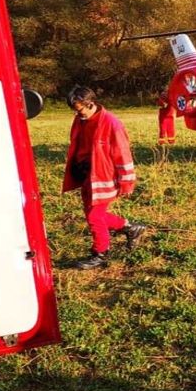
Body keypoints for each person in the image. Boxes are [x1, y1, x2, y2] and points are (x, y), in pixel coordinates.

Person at [62, 86, 145, 270]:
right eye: (74, 110)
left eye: (79, 109)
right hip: (86, 174)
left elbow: (122, 153)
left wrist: (127, 181)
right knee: (93, 214)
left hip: (104, 176)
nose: (77, 113)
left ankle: (100, 253)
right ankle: (130, 228)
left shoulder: (111, 123)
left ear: (90, 103)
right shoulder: (80, 120)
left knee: (94, 216)